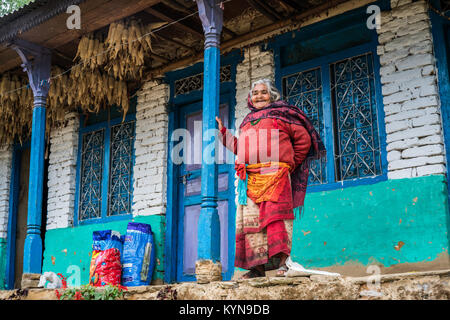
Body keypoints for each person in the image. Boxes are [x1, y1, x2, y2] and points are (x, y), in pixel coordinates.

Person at [216, 79, 326, 278]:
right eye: (255, 93)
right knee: (252, 224)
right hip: (249, 179)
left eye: (263, 92)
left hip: (276, 176)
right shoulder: (247, 121)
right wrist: (223, 133)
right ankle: (256, 269)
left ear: (272, 96)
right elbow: (240, 147)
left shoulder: (283, 115)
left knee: (278, 220)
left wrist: (290, 162)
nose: (258, 96)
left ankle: (284, 264)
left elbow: (304, 140)